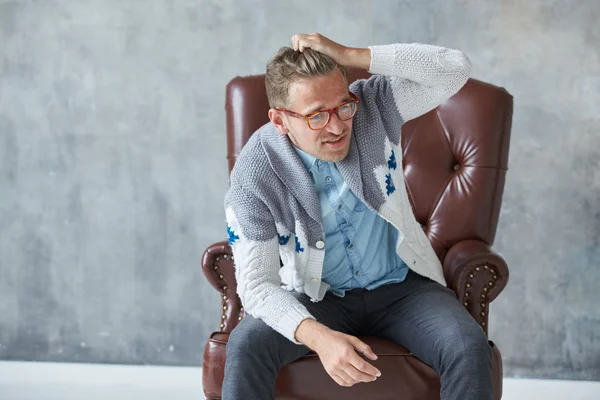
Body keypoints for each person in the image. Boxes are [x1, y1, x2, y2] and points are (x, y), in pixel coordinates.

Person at [222, 32, 491, 400]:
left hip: (402, 286)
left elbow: (455, 69)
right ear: (280, 120)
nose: (336, 127)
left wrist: (351, 55)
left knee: (466, 344)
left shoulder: (372, 106)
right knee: (247, 344)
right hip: (318, 297)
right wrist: (319, 337)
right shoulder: (255, 173)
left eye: (342, 107)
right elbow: (256, 286)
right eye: (317, 116)